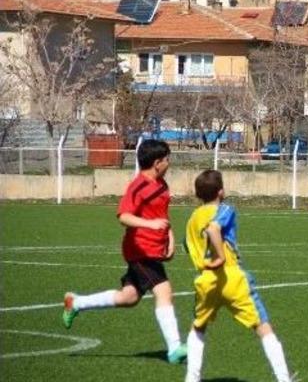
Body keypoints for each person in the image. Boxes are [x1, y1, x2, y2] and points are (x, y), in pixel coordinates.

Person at [62, 139, 186, 363]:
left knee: (129, 297)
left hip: (154, 250)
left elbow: (162, 217)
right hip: (140, 251)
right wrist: (150, 225)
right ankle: (175, 348)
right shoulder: (138, 186)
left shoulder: (162, 185)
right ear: (157, 163)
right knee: (164, 291)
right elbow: (124, 216)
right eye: (167, 159)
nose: (169, 163)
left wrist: (170, 238)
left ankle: (76, 303)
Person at [183, 170, 293, 382]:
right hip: (231, 276)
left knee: (198, 327)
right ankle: (284, 378)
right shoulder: (225, 209)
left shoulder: (192, 219)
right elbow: (214, 229)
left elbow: (188, 246)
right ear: (221, 192)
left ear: (198, 194)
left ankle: (192, 378)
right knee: (262, 326)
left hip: (206, 279)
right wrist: (220, 256)